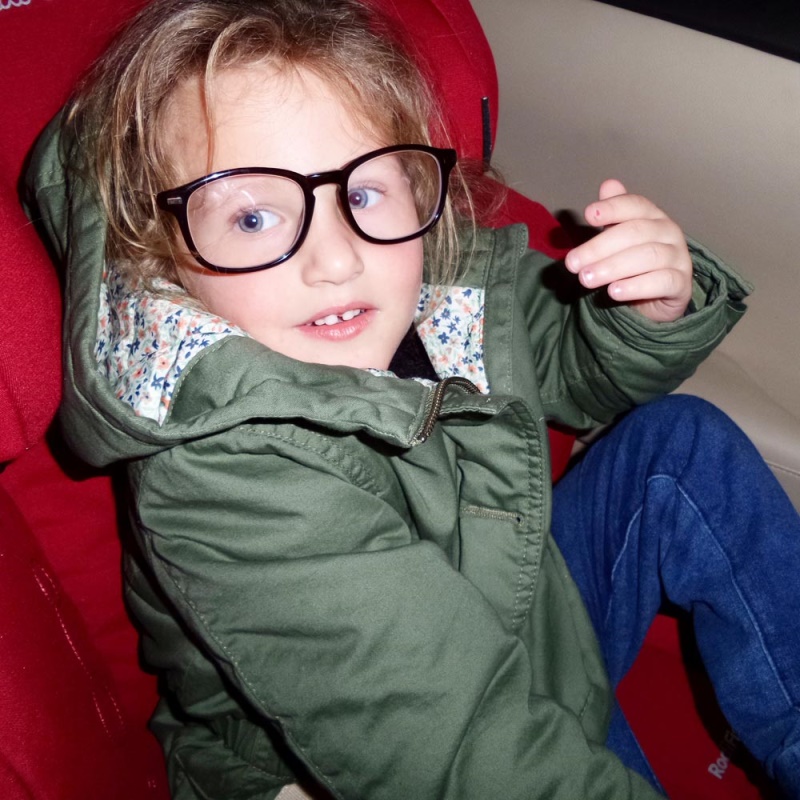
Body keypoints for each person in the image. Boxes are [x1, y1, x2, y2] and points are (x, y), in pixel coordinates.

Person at [23, 0, 800, 797]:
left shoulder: (434, 285)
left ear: (414, 181)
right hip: (411, 738)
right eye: (254, 217)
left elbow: (572, 370)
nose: (336, 259)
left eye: (363, 194)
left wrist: (643, 319)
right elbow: (462, 753)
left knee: (680, 444)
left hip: (512, 609)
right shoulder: (220, 473)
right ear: (159, 255)